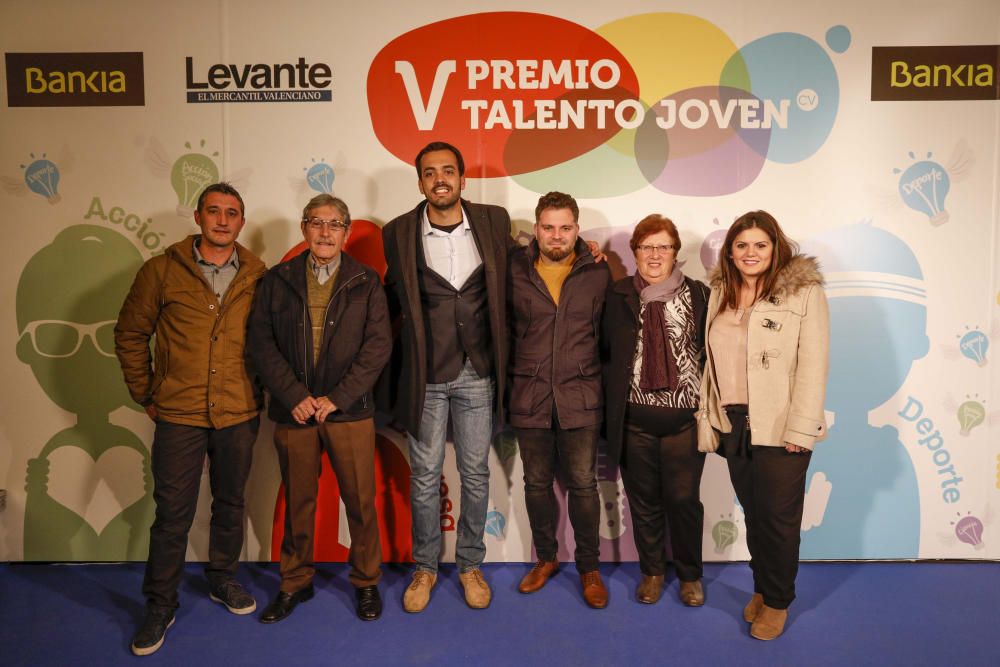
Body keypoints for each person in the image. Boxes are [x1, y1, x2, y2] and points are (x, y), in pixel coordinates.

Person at [114, 183, 266, 656]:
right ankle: (160, 604)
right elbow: (130, 333)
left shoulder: (260, 275)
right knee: (172, 515)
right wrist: (145, 392)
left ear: (243, 222)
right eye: (214, 212)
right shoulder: (160, 271)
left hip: (239, 411)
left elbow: (274, 341)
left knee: (231, 503)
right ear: (198, 216)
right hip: (179, 413)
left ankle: (223, 579)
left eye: (233, 214)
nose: (223, 220)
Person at [382, 141, 513, 612]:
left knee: (476, 474)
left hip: (479, 371)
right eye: (430, 172)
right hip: (426, 376)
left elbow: (523, 267)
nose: (440, 179)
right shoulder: (397, 232)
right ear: (419, 182)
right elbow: (391, 301)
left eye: (448, 171)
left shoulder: (495, 221)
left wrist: (583, 248)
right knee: (424, 476)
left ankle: (471, 564)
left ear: (463, 178)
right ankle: (424, 567)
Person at [247, 194, 390, 624]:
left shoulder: (366, 281)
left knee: (361, 504)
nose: (325, 232)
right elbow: (261, 343)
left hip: (348, 412)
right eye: (316, 223)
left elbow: (378, 346)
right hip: (296, 412)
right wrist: (295, 396)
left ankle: (366, 583)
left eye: (334, 224)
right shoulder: (277, 280)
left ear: (346, 233)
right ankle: (294, 582)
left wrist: (338, 397)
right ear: (304, 228)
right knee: (298, 502)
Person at [697, 210, 829, 640]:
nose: (750, 253)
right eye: (741, 245)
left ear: (775, 248)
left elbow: (813, 364)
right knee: (755, 514)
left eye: (760, 245)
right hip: (735, 424)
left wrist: (801, 429)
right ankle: (761, 588)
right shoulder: (721, 293)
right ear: (730, 252)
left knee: (778, 521)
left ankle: (777, 602)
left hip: (782, 427)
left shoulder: (804, 293)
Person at [508, 192, 611, 608]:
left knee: (584, 484)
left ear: (577, 230)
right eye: (548, 227)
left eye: (565, 227)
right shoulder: (512, 269)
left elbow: (607, 337)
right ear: (535, 229)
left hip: (580, 394)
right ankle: (546, 559)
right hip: (528, 393)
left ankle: (589, 567)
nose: (556, 235)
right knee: (535, 483)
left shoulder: (598, 273)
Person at [602, 215, 710, 607]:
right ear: (634, 253)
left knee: (684, 502)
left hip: (684, 423)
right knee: (643, 501)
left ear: (675, 253)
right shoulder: (617, 295)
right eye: (647, 247)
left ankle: (690, 575)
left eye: (663, 246)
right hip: (633, 423)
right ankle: (651, 572)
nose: (654, 254)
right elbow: (604, 353)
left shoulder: (699, 295)